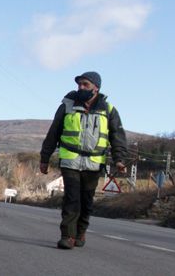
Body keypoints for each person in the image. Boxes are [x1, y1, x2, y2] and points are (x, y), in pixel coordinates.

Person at [39, 71, 128, 249]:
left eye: (85, 84)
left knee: (86, 200)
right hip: (70, 159)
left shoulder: (108, 110)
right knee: (72, 199)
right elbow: (53, 132)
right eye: (79, 84)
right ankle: (68, 236)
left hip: (94, 163)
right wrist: (45, 158)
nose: (81, 87)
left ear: (96, 87)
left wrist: (119, 159)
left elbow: (117, 136)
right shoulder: (67, 106)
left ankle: (81, 232)